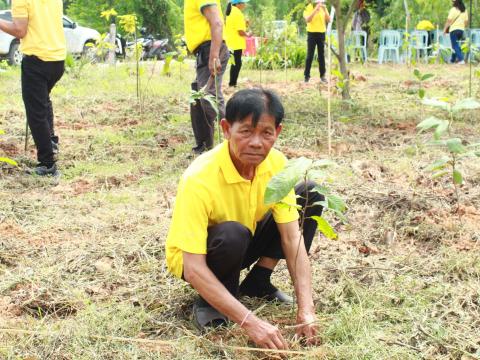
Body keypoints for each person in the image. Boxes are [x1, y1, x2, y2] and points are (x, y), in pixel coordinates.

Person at [166, 88, 324, 350]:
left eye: (266, 133)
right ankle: (212, 301)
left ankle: (258, 282)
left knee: (309, 194)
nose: (256, 142)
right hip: (203, 256)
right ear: (226, 129)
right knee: (232, 233)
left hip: (246, 239)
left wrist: (306, 309)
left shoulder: (277, 165)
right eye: (246, 131)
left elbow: (291, 238)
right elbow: (192, 266)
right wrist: (251, 322)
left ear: (278, 132)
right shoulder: (199, 178)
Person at [0, 0, 66, 176]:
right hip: (58, 60)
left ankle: (47, 163)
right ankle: (50, 142)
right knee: (43, 100)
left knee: (35, 114)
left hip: (37, 61)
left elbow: (19, 31)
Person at [185, 0, 230, 155]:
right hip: (204, 51)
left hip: (211, 49)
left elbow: (217, 23)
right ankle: (204, 146)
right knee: (198, 97)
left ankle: (234, 138)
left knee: (208, 97)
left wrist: (214, 55)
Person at [303, 0, 331, 83]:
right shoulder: (308, 7)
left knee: (321, 56)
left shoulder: (323, 8)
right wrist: (315, 9)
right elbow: (308, 20)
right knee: (310, 56)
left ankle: (323, 76)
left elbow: (329, 20)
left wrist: (325, 9)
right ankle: (306, 76)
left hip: (321, 33)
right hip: (311, 33)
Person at [225, 0, 250, 88]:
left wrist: (245, 24)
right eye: (244, 3)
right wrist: (248, 35)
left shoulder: (231, 11)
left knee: (235, 63)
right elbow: (240, 32)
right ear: (239, 4)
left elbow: (236, 27)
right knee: (237, 63)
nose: (245, 5)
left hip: (231, 41)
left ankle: (232, 83)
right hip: (236, 42)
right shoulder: (238, 13)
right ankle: (232, 84)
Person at [444, 0, 469, 64]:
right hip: (461, 30)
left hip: (453, 30)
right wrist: (462, 26)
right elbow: (466, 22)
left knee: (455, 45)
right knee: (455, 45)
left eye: (453, 1)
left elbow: (448, 21)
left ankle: (461, 60)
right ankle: (452, 60)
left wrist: (445, 29)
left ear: (456, 2)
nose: (452, 2)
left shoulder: (453, 10)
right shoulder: (464, 10)